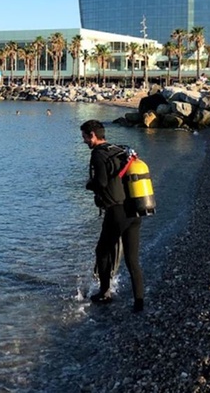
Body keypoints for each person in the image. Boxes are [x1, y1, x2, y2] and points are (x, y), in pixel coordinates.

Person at [80, 119, 144, 313]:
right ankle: (139, 302)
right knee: (132, 259)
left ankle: (104, 293)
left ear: (92, 135)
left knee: (102, 251)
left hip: (116, 212)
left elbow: (101, 182)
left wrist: (88, 184)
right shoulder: (118, 149)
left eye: (84, 137)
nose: (84, 141)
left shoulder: (98, 155)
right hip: (134, 209)